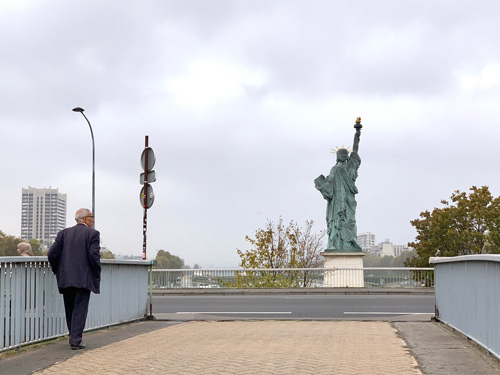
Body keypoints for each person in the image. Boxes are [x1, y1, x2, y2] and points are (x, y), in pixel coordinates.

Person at [48, 208, 101, 350]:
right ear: (84, 219)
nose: (93, 220)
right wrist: (96, 272)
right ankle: (76, 340)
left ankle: (73, 337)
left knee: (70, 308)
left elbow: (52, 254)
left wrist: (57, 270)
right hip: (84, 278)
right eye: (91, 217)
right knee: (80, 309)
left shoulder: (63, 234)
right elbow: (93, 256)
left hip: (65, 277)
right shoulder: (93, 234)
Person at [315, 125, 362, 252]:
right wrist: (357, 134)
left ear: (338, 157)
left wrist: (320, 185)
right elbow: (355, 150)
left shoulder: (335, 169)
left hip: (339, 203)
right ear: (346, 156)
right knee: (349, 222)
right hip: (347, 202)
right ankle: (346, 243)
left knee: (338, 222)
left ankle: (337, 244)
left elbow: (328, 189)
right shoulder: (351, 165)